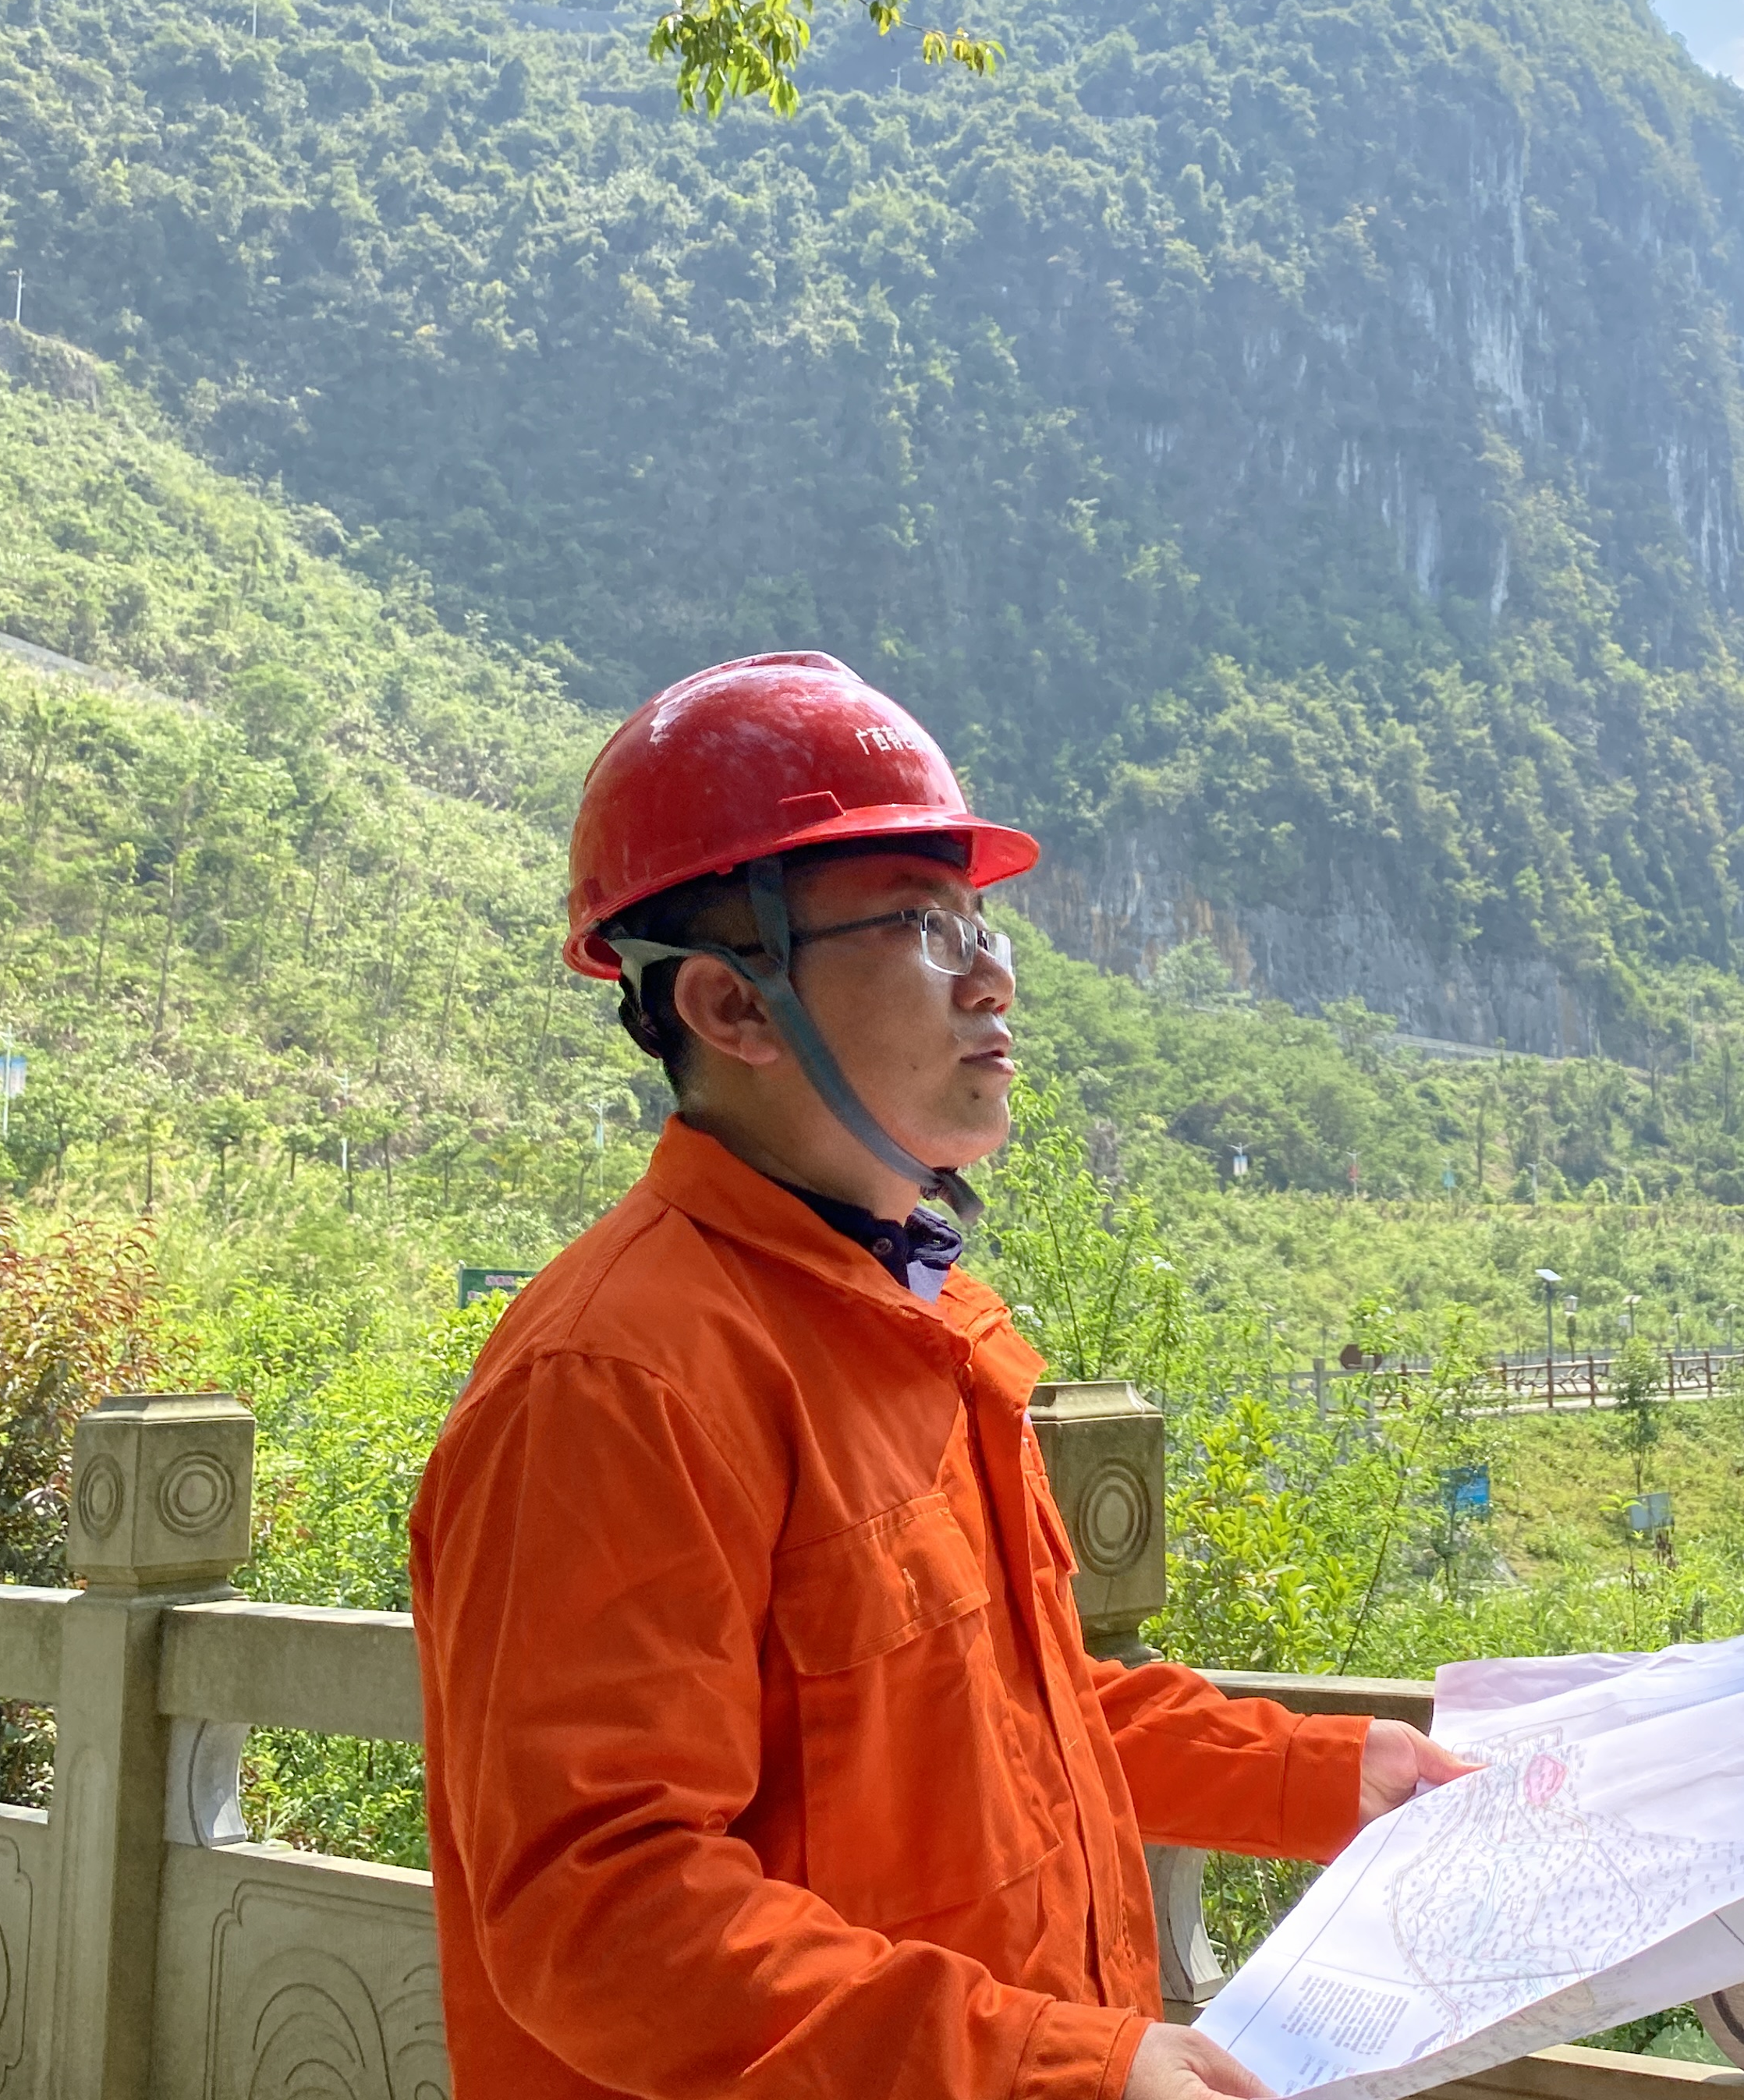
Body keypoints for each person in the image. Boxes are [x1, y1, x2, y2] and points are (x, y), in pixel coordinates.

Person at [409, 653, 1472, 2100]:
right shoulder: (616, 1380)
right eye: (920, 924)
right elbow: (602, 1915)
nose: (995, 975)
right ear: (732, 1007)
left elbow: (1016, 1723)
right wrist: (1054, 2066)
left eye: (980, 921)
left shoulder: (917, 1319)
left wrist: (1330, 1774)